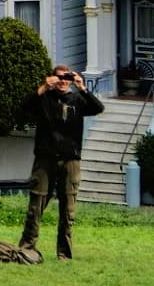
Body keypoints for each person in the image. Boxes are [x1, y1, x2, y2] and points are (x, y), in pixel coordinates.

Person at [18, 64, 104, 261]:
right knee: (36, 204)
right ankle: (27, 247)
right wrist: (43, 87)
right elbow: (25, 106)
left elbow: (98, 108)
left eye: (67, 78)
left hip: (70, 159)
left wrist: (82, 87)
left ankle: (64, 253)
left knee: (68, 209)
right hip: (45, 158)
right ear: (53, 78)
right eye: (59, 78)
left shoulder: (77, 100)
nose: (63, 81)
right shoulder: (45, 99)